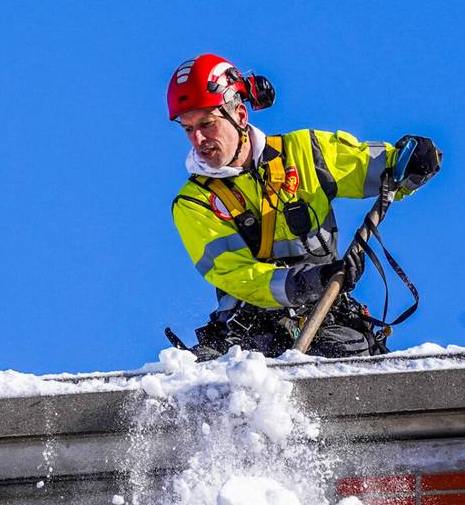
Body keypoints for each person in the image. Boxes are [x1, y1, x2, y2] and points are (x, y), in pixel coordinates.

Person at [167, 54, 442, 359]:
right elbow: (236, 275)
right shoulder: (194, 202)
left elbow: (384, 170)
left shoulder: (306, 153)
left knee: (341, 350)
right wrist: (310, 280)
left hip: (327, 320)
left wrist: (414, 162)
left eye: (207, 123)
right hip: (250, 332)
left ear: (241, 116)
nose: (199, 138)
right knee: (210, 376)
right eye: (188, 129)